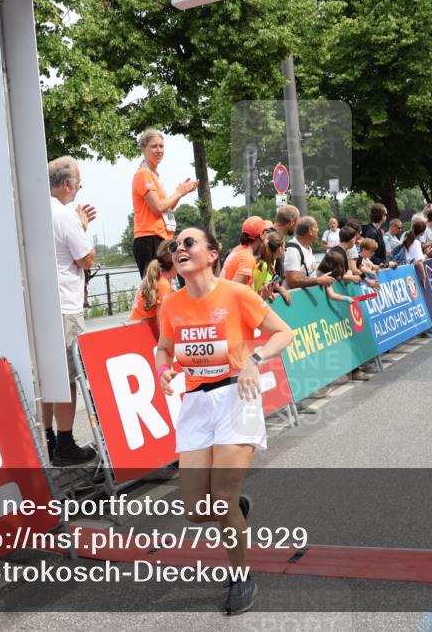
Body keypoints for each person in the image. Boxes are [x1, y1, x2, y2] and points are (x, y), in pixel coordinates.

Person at [155, 227, 293, 616]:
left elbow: (283, 332)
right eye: (175, 246)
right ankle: (236, 509)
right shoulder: (172, 305)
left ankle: (240, 576)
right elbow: (163, 349)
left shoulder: (236, 294)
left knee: (222, 500)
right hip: (196, 404)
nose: (179, 249)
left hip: (236, 396)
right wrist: (164, 370)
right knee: (195, 509)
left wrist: (254, 360)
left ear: (212, 254)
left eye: (188, 243)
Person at [44, 156, 98, 466]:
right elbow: (85, 258)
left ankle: (50, 439)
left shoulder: (35, 211)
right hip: (66, 304)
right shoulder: (65, 216)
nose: (78, 189)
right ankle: (66, 442)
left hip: (43, 306)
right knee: (67, 377)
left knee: (49, 378)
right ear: (67, 185)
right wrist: (81, 225)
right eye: (78, 184)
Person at [132, 129, 198, 277]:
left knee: (164, 283)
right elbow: (158, 208)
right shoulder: (144, 174)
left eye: (161, 146)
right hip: (149, 237)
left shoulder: (154, 175)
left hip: (160, 237)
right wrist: (179, 192)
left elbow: (167, 207)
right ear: (143, 148)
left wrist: (182, 192)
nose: (159, 150)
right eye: (154, 146)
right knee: (154, 288)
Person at [283, 217, 334, 291]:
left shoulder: (308, 247)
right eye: (316, 227)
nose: (318, 230)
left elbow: (310, 275)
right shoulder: (292, 251)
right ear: (310, 231)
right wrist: (318, 280)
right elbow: (292, 281)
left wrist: (322, 279)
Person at [129, 242, 176, 322]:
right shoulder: (163, 283)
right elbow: (162, 320)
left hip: (138, 324)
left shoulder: (157, 275)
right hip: (146, 327)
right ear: (175, 261)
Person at [221, 216, 269, 288]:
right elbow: (235, 292)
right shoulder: (247, 258)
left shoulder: (238, 249)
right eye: (266, 232)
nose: (267, 235)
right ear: (262, 235)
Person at [254, 232, 291, 305]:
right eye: (285, 248)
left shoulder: (273, 260)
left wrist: (280, 289)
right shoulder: (261, 265)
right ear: (280, 249)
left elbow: (272, 278)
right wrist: (263, 295)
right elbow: (251, 287)